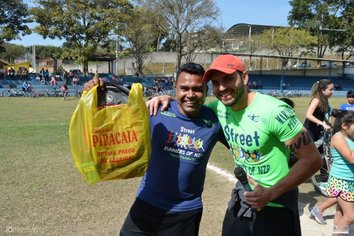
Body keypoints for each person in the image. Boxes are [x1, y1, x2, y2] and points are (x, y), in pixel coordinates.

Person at [148, 54, 322, 236]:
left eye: (228, 79)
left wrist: (270, 194)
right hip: (242, 198)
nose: (222, 88)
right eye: (215, 83)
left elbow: (312, 160)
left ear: (244, 77)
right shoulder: (218, 109)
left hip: (276, 204)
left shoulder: (274, 111)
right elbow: (189, 103)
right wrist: (166, 99)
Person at [85, 63, 228, 236]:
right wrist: (95, 91)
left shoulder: (215, 121)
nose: (190, 95)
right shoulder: (155, 110)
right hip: (147, 204)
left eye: (197, 89)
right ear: (175, 87)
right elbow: (109, 118)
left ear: (206, 90)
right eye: (184, 88)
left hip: (185, 213)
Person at [325, 110, 354, 235]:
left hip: (349, 180)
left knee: (340, 212)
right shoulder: (338, 138)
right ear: (344, 126)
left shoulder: (351, 137)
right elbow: (352, 158)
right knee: (351, 216)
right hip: (341, 181)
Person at [303, 79, 334, 193]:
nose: (332, 92)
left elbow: (324, 116)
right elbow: (308, 115)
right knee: (305, 156)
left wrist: (327, 123)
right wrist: (322, 123)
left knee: (322, 154)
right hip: (309, 131)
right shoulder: (316, 99)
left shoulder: (325, 100)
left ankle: (325, 181)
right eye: (330, 89)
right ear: (322, 90)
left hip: (319, 131)